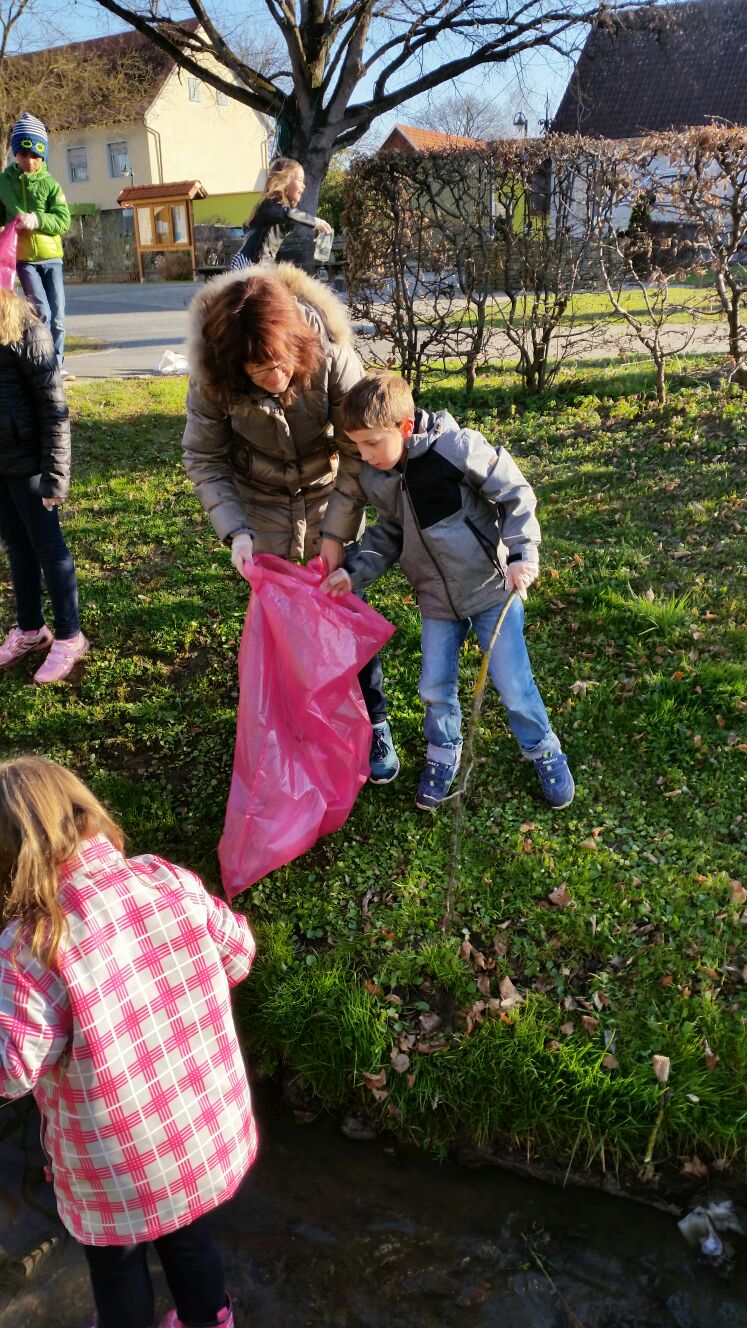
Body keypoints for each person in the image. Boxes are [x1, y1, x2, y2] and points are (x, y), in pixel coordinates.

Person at [0, 755, 256, 1328]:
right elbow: (237, 952)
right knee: (190, 1239)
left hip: (110, 1161)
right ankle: (211, 1321)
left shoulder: (32, 944)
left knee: (116, 1265)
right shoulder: (162, 878)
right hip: (195, 1132)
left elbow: (14, 1069)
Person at [182, 263, 399, 783]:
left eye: (279, 364)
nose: (275, 378)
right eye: (258, 372)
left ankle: (375, 720)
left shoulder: (329, 354)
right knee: (281, 630)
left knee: (344, 615)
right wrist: (236, 531)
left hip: (328, 496)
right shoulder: (213, 376)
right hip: (260, 509)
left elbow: (355, 449)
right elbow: (205, 459)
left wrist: (335, 534)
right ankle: (295, 730)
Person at [321, 372, 575, 812]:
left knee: (513, 685)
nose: (364, 455)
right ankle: (443, 754)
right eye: (357, 445)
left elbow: (515, 493)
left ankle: (543, 749)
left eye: (371, 443)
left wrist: (522, 554)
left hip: (490, 590)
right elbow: (390, 535)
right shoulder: (378, 477)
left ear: (403, 427)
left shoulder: (457, 449)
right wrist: (354, 572)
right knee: (435, 687)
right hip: (435, 602)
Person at [0, 288, 89, 683]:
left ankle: (70, 635)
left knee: (48, 548)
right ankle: (31, 630)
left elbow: (54, 408)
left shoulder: (27, 330)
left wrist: (55, 476)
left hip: (30, 466)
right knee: (17, 546)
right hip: (1, 467)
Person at [0, 113, 73, 378]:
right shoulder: (4, 183)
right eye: (22, 154)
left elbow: (63, 220)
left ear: (43, 155)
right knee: (41, 309)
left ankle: (58, 364)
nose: (29, 161)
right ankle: (43, 363)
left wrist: (37, 219)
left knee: (58, 314)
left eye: (35, 155)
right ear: (15, 154)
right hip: (24, 259)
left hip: (52, 258)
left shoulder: (51, 184)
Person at [230, 157, 332, 270]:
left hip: (263, 263)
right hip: (249, 261)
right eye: (299, 179)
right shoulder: (270, 204)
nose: (303, 185)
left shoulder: (279, 208)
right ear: (284, 180)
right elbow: (287, 214)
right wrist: (316, 222)